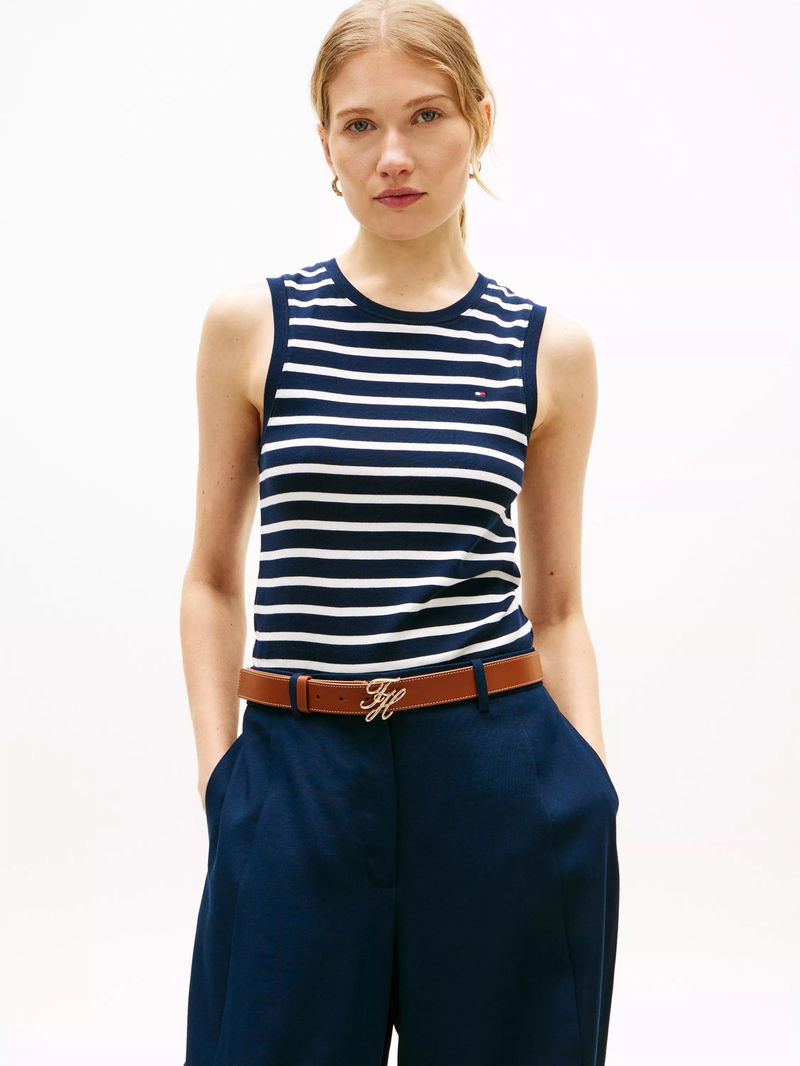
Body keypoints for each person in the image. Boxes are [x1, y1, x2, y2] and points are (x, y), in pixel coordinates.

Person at [179, 1, 620, 1064]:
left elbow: (558, 604)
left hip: (495, 777)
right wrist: (224, 781)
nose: (393, 156)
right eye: (359, 124)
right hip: (295, 774)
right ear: (325, 144)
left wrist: (586, 784)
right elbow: (210, 579)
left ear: (479, 122)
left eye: (426, 116)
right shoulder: (256, 327)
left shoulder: (545, 349)